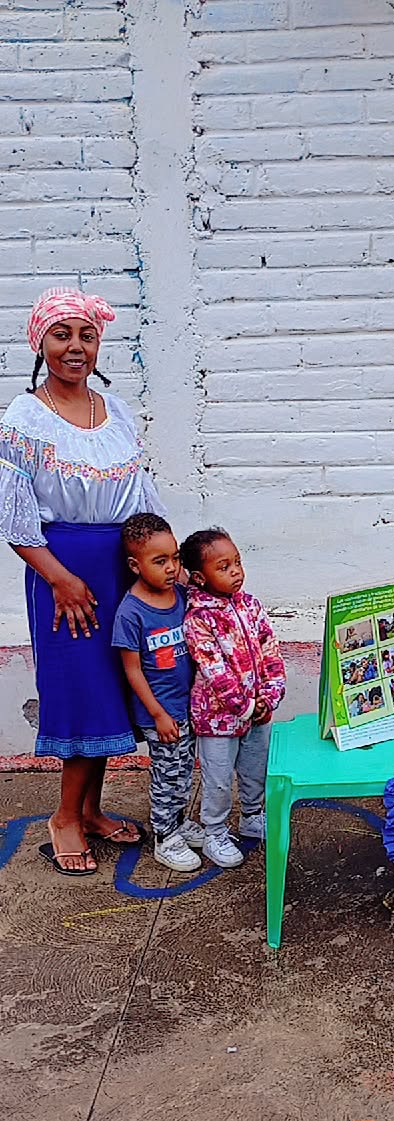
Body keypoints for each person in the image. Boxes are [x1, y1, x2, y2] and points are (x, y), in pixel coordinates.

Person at [0, 286, 165, 875]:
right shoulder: (25, 417)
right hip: (63, 572)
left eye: (87, 336)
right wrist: (61, 579)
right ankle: (64, 817)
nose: (75, 347)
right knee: (80, 691)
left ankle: (91, 811)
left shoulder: (115, 412)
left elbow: (140, 497)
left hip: (121, 566)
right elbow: (14, 519)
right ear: (39, 343)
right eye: (61, 335)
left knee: (113, 687)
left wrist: (161, 563)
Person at [181, 528, 286, 868]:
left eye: (237, 562)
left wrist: (270, 694)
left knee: (256, 769)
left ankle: (251, 816)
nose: (236, 572)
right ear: (199, 577)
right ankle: (214, 832)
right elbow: (214, 670)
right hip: (217, 719)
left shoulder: (251, 605)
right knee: (219, 780)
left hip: (259, 712)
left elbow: (270, 649)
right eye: (223, 567)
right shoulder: (198, 618)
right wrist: (246, 706)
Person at [112, 514, 204, 874]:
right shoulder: (131, 612)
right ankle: (165, 837)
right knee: (167, 775)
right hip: (160, 714)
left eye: (175, 558)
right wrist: (158, 714)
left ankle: (178, 822)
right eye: (160, 561)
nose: (171, 568)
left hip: (187, 706)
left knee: (184, 770)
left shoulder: (181, 596)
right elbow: (132, 670)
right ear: (135, 565)